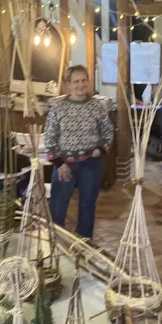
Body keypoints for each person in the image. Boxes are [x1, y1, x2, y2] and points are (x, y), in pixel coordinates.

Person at [44, 64, 114, 239]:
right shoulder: (58, 108)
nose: (81, 85)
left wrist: (100, 149)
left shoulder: (97, 106)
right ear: (68, 84)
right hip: (65, 165)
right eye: (76, 81)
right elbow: (50, 138)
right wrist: (59, 164)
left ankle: (84, 244)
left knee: (87, 206)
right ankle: (56, 243)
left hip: (90, 164)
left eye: (84, 80)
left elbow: (108, 131)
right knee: (58, 206)